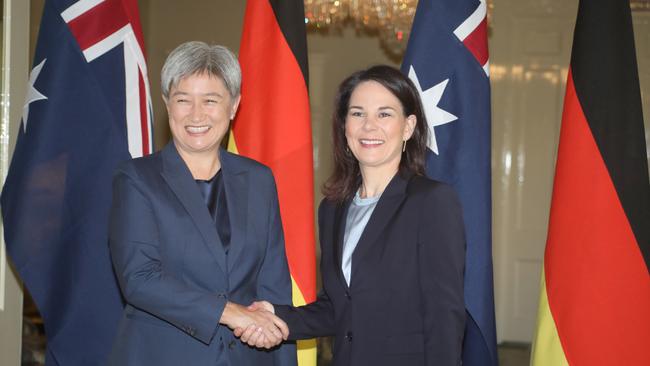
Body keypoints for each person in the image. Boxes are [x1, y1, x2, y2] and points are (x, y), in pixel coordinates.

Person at [236, 65, 466, 365]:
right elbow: (340, 307)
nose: (369, 126)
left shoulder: (432, 201)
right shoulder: (333, 209)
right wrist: (274, 317)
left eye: (384, 114)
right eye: (358, 114)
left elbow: (444, 314)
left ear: (408, 127)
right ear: (344, 127)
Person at [107, 41, 296, 365]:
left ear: (234, 106)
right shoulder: (137, 178)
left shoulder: (259, 179)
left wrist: (275, 341)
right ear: (168, 104)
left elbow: (274, 287)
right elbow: (140, 279)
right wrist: (230, 313)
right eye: (183, 100)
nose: (196, 115)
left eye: (211, 101)